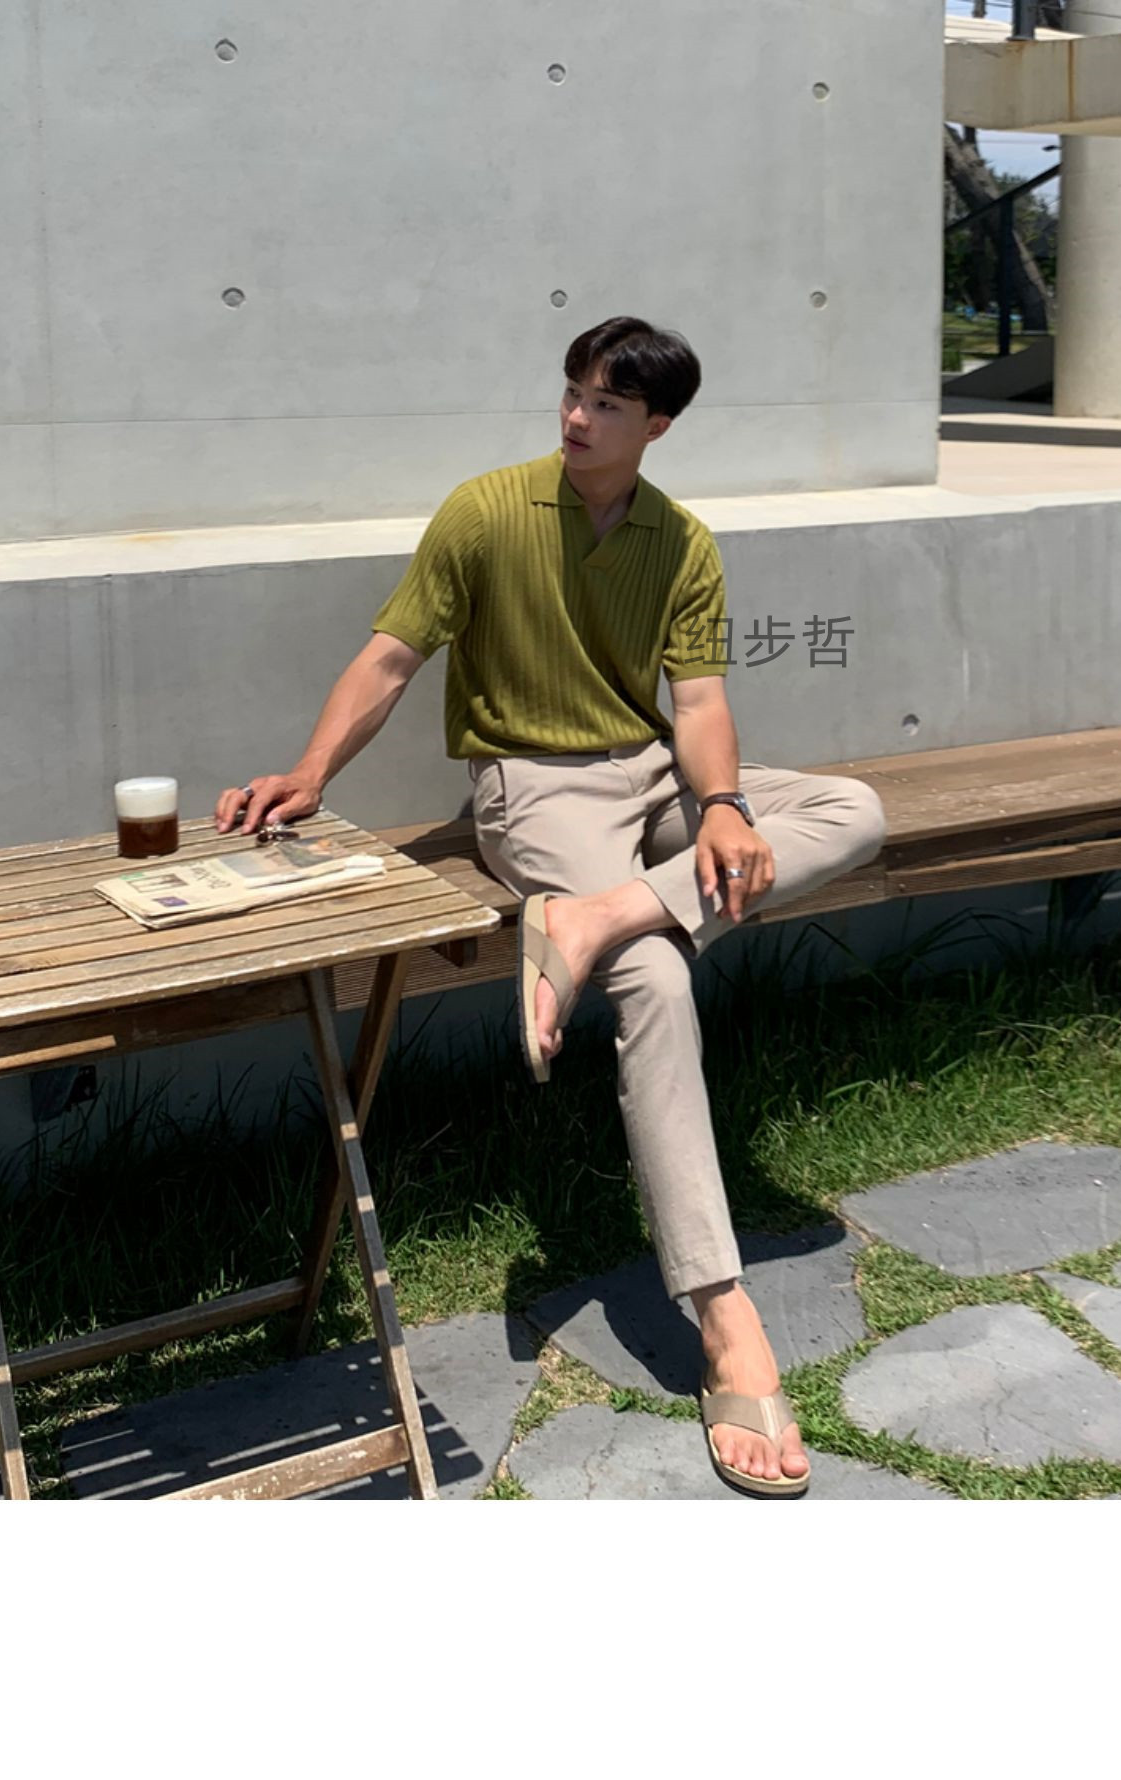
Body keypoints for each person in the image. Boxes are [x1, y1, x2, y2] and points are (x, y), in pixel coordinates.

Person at [216, 317, 887, 1497]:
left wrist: (724, 807)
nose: (577, 417)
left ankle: (597, 916)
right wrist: (312, 772)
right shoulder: (486, 511)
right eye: (573, 393)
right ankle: (723, 1313)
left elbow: (699, 702)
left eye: (607, 405)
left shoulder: (681, 540)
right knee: (659, 976)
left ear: (658, 425)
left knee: (853, 811)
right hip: (534, 784)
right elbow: (390, 657)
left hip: (656, 776)